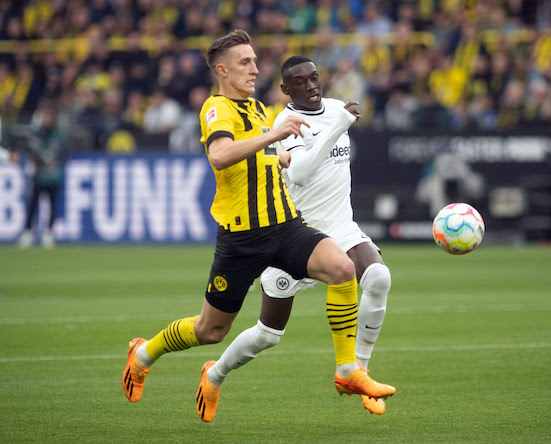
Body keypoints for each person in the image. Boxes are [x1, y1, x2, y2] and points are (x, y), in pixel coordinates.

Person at [122, 30, 395, 423]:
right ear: (222, 70)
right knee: (210, 330)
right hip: (243, 237)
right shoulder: (217, 109)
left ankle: (348, 370)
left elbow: (262, 156)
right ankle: (145, 353)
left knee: (343, 269)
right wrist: (275, 136)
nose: (254, 68)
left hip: (285, 225)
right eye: (245, 63)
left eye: (254, 60)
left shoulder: (254, 108)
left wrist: (277, 157)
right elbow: (219, 155)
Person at [260, 55, 393, 415]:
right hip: (298, 234)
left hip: (340, 228)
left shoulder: (337, 109)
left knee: (379, 277)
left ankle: (357, 371)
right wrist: (338, 127)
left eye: (315, 78)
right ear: (286, 89)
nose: (311, 86)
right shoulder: (285, 123)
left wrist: (342, 119)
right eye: (300, 82)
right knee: (266, 336)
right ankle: (217, 372)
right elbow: (300, 173)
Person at [17, 101, 65, 249]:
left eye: (49, 116)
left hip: (52, 176)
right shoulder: (36, 135)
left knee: (51, 205)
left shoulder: (58, 135)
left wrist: (46, 158)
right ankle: (28, 232)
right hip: (39, 176)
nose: (46, 119)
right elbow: (31, 150)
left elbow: (59, 153)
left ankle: (49, 232)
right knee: (33, 205)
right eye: (45, 116)